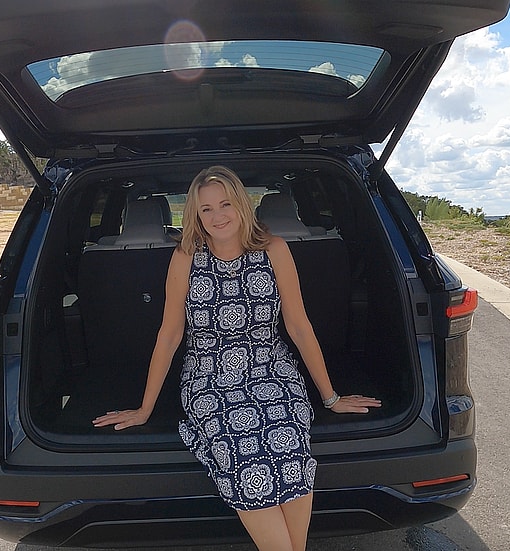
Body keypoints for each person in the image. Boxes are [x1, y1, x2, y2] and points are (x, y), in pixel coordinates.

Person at [93, 166, 381, 551]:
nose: (217, 216)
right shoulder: (185, 257)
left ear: (243, 205)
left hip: (273, 372)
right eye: (206, 209)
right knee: (243, 455)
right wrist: (145, 409)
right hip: (209, 379)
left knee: (290, 446)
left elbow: (298, 326)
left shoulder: (275, 250)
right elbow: (170, 334)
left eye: (225, 204)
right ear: (195, 215)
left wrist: (331, 398)